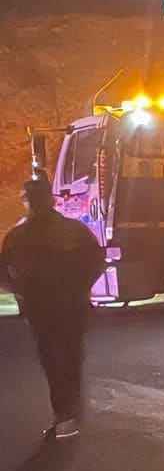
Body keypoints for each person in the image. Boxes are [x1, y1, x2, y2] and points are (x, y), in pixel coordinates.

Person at [0, 177, 105, 439]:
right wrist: (81, 286)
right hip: (72, 305)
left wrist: (22, 292)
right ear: (51, 199)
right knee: (71, 354)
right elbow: (97, 261)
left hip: (40, 308)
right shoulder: (74, 230)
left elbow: (4, 275)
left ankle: (64, 413)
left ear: (27, 202)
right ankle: (71, 410)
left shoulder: (17, 237)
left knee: (51, 359)